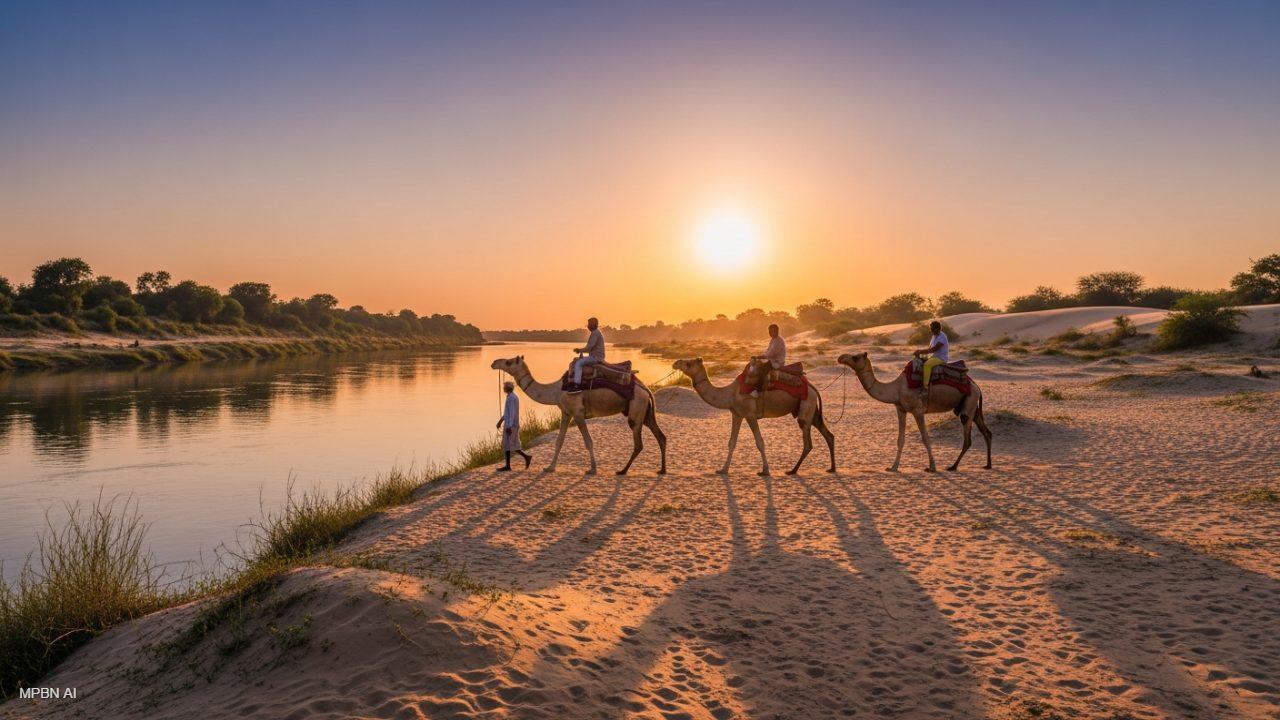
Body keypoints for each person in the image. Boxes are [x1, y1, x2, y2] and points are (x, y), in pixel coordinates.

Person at [495, 380, 532, 471]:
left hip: (511, 426)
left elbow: (512, 413)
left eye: (504, 387)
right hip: (509, 424)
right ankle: (508, 465)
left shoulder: (512, 398)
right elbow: (507, 413)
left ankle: (526, 457)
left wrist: (509, 426)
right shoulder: (510, 397)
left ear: (508, 388)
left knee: (512, 444)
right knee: (508, 445)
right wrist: (500, 421)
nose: (503, 388)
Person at [912, 320, 950, 395]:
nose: (931, 331)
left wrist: (920, 351)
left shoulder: (942, 337)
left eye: (932, 329)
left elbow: (934, 349)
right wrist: (921, 354)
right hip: (934, 357)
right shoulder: (934, 336)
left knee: (927, 365)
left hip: (941, 358)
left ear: (937, 329)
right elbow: (930, 348)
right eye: (931, 329)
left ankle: (925, 387)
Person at [569, 317, 605, 393]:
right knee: (577, 360)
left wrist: (579, 350)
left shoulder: (595, 333)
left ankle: (577, 385)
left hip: (596, 357)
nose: (588, 326)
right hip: (595, 356)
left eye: (589, 324)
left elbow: (589, 347)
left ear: (595, 325)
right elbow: (590, 348)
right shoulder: (595, 333)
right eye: (588, 324)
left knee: (578, 363)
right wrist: (581, 352)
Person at [750, 323, 786, 397]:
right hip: (772, 361)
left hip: (777, 363)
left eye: (771, 331)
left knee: (762, 370)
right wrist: (760, 357)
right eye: (769, 332)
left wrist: (759, 357)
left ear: (776, 331)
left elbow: (771, 354)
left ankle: (758, 390)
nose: (769, 333)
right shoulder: (773, 340)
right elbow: (768, 351)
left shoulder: (778, 341)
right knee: (759, 365)